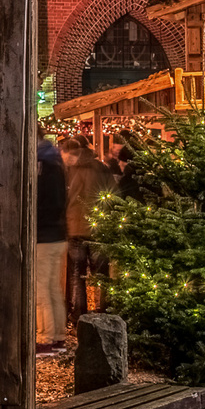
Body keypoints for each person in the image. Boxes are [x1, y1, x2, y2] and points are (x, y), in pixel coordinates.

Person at [61, 136, 113, 323]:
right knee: (102, 274)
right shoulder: (101, 168)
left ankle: (79, 316)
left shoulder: (69, 170)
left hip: (75, 226)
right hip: (99, 226)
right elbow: (112, 195)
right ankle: (105, 312)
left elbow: (64, 197)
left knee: (78, 275)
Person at [35, 138, 69, 357]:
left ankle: (44, 339)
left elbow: (42, 205)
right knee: (54, 289)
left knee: (41, 290)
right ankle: (59, 336)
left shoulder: (43, 169)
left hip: (44, 237)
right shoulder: (58, 166)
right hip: (59, 235)